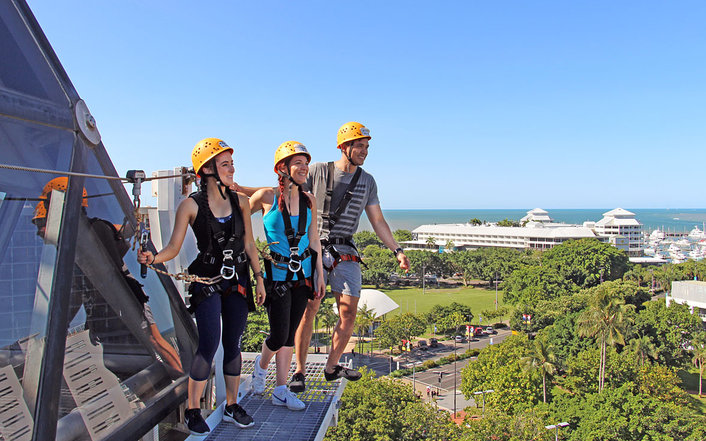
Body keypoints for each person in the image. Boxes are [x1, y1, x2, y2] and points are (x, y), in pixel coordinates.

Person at [138, 138, 266, 436]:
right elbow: (173, 247)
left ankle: (232, 404)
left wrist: (259, 277)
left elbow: (248, 243)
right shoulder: (190, 206)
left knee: (232, 343)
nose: (232, 168)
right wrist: (153, 257)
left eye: (232, 163)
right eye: (225, 164)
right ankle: (193, 409)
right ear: (207, 170)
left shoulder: (241, 202)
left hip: (237, 280)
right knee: (208, 344)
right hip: (207, 281)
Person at [290, 122, 410, 392]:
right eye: (359, 146)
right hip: (314, 246)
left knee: (348, 312)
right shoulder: (319, 171)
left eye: (366, 147)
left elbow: (377, 220)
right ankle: (299, 370)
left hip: (346, 251)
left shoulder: (367, 181)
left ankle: (332, 366)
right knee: (309, 309)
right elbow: (288, 196)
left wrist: (397, 250)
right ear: (344, 147)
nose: (364, 151)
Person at [33, 177, 183, 377]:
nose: (40, 232)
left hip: (125, 302)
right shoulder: (75, 241)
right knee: (118, 359)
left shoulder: (92, 232)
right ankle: (176, 381)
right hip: (110, 310)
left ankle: (182, 381)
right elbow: (81, 288)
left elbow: (109, 276)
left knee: (153, 339)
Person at [247, 141, 325, 410]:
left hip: (302, 276)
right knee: (278, 335)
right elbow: (237, 221)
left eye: (306, 163)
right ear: (282, 168)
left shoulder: (309, 201)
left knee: (290, 334)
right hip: (277, 276)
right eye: (298, 163)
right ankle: (260, 365)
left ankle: (280, 389)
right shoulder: (265, 197)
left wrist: (320, 275)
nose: (304, 168)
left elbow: (314, 240)